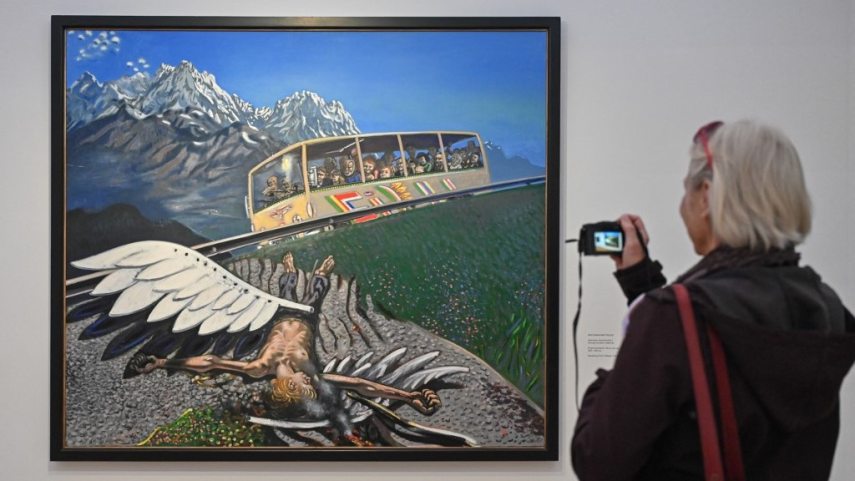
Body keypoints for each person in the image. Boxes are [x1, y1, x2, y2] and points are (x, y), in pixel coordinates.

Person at [571, 120, 855, 480]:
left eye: (686, 190)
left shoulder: (670, 318)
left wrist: (619, 370)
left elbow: (595, 459)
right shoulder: (829, 309)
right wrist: (642, 285)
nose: (682, 206)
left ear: (706, 196)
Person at [129, 253, 442, 423]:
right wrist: (408, 396)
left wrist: (163, 363)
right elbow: (362, 385)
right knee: (315, 290)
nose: (308, 384)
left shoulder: (258, 368)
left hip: (278, 319)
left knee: (288, 290)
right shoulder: (312, 374)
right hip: (306, 320)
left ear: (287, 385)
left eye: (301, 387)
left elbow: (211, 362)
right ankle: (319, 272)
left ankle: (290, 268)